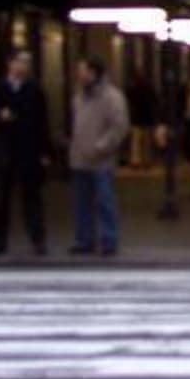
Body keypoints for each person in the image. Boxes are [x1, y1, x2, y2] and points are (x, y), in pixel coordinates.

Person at [0, 49, 51, 258]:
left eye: (26, 63)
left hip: (28, 149)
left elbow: (43, 122)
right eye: (20, 62)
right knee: (1, 198)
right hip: (5, 149)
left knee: (32, 196)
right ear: (10, 64)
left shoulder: (34, 89)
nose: (23, 67)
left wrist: (45, 151)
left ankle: (38, 239)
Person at [67, 56, 129, 257]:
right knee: (82, 202)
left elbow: (119, 126)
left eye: (82, 70)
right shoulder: (78, 97)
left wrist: (101, 146)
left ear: (93, 73)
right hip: (80, 157)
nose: (79, 75)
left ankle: (109, 239)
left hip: (102, 159)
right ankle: (85, 239)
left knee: (104, 200)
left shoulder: (112, 97)